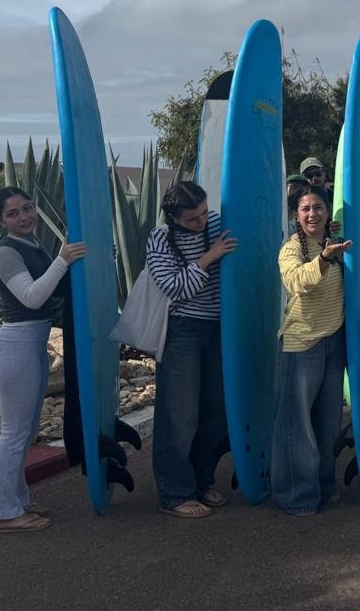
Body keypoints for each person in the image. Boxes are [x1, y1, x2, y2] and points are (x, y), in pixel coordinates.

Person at [0, 187, 86, 532]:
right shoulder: (6, 253)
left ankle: (16, 500)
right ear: (1, 220)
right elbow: (30, 296)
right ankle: (2, 513)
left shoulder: (31, 245)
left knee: (24, 433)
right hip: (17, 345)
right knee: (14, 433)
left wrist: (74, 260)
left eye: (27, 208)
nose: (24, 217)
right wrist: (63, 259)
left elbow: (53, 289)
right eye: (13, 213)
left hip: (31, 344)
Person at [146, 181, 237, 518]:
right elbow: (173, 288)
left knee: (214, 411)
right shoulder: (159, 238)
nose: (202, 222)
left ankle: (202, 480)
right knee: (180, 415)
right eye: (192, 219)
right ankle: (175, 492)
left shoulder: (215, 222)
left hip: (220, 328)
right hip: (182, 330)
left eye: (203, 213)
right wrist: (208, 258)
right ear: (174, 217)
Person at [272, 185, 352, 514]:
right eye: (305, 209)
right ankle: (298, 496)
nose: (312, 214)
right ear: (297, 215)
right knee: (298, 426)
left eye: (318, 207)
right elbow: (296, 281)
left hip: (334, 341)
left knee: (328, 423)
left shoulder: (336, 242)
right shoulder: (292, 248)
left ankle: (324, 486)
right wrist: (324, 258)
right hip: (301, 344)